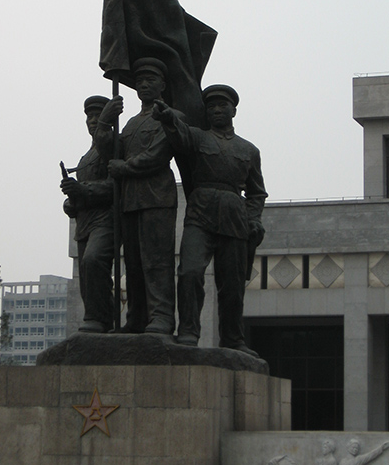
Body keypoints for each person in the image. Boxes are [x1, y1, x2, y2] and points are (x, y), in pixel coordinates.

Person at [153, 84, 267, 355]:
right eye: (212, 106)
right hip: (200, 214)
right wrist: (168, 117)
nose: (217, 110)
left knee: (232, 285)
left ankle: (233, 339)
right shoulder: (198, 138)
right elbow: (180, 137)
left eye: (222, 106)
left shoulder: (249, 150)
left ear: (233, 111)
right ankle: (189, 331)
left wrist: (254, 219)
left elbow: (256, 192)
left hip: (234, 219)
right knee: (190, 272)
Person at [95, 58, 179, 334]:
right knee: (133, 263)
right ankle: (137, 317)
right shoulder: (130, 123)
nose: (143, 84)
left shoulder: (170, 116)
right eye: (140, 81)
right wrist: (105, 125)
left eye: (150, 80)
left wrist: (125, 167)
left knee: (156, 260)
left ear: (163, 85)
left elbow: (158, 155)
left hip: (156, 197)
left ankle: (162, 316)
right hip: (130, 200)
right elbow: (111, 153)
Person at [60, 95, 114, 333]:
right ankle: (95, 318)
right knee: (85, 275)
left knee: (94, 261)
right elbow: (79, 197)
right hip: (84, 223)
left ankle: (102, 318)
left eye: (97, 116)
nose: (92, 120)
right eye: (89, 117)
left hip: (106, 219)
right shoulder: (85, 158)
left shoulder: (114, 146)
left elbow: (116, 186)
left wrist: (82, 190)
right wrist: (71, 201)